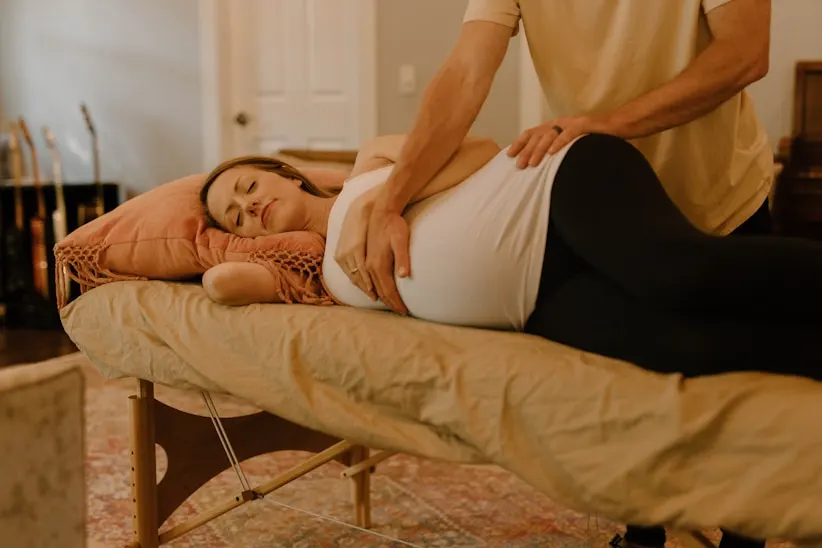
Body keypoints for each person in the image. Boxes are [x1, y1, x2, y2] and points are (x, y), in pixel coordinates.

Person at [200, 132, 816, 545]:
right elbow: (223, 285)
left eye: (250, 188)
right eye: (235, 216)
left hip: (553, 193)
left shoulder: (372, 163)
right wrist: (218, 239)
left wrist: (372, 194)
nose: (249, 208)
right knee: (687, 352)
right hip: (539, 302)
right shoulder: (315, 272)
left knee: (680, 274)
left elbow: (480, 148)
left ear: (287, 175)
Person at [329, 2, 773, 547]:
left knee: (746, 386)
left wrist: (606, 125)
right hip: (610, 203)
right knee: (628, 377)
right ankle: (642, 530)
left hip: (719, 189)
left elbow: (745, 53)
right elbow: (467, 70)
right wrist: (388, 204)